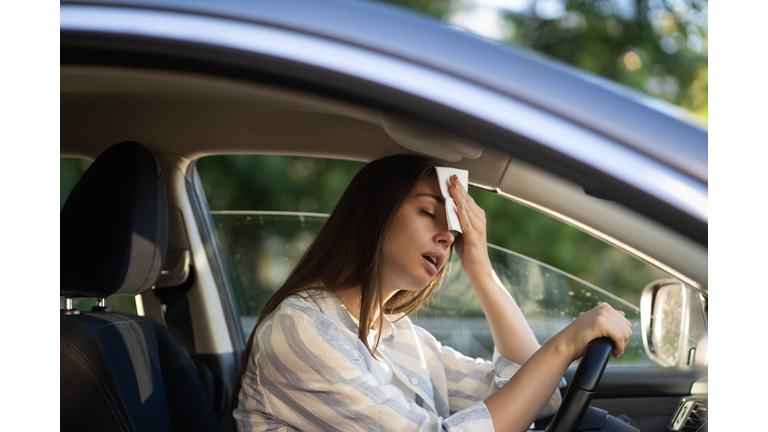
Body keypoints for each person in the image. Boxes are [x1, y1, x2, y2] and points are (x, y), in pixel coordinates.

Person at [232, 154, 632, 432]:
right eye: (428, 212)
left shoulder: (398, 335)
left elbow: (537, 399)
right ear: (375, 213)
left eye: (454, 230)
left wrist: (482, 271)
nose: (446, 236)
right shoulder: (299, 332)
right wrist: (563, 346)